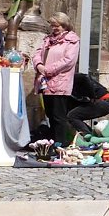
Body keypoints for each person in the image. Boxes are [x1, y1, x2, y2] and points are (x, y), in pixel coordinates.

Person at [32, 12, 80, 146]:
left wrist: (48, 69)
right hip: (45, 83)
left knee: (59, 116)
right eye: (52, 25)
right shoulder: (47, 40)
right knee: (50, 115)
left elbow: (68, 61)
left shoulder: (72, 40)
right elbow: (37, 53)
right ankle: (52, 143)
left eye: (57, 26)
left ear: (64, 25)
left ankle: (61, 144)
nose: (54, 28)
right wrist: (39, 65)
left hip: (60, 82)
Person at [67, 73, 109, 138]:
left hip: (103, 102)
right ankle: (92, 136)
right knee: (75, 116)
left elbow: (86, 77)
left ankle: (89, 137)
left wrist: (92, 96)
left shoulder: (71, 77)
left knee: (72, 116)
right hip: (107, 102)